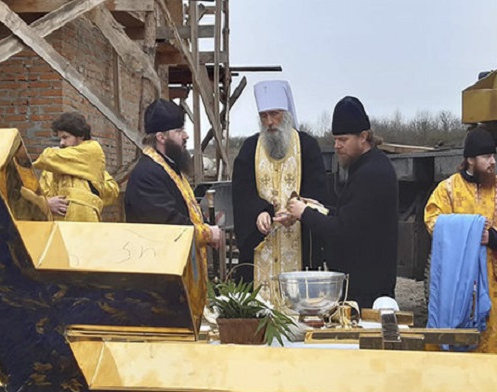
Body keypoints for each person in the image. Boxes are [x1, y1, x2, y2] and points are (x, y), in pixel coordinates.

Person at [424, 127, 497, 354]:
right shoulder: (448, 190)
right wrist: (469, 234)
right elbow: (433, 220)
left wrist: (493, 236)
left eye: (494, 156)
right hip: (461, 282)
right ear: (470, 159)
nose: (492, 162)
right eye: (486, 157)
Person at [287, 96, 397, 308]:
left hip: (368, 288)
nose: (336, 146)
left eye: (343, 140)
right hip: (364, 282)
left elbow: (343, 229)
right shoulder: (368, 166)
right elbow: (351, 214)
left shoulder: (372, 173)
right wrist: (317, 207)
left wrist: (305, 214)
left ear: (363, 137)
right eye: (335, 139)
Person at [231, 81, 328, 297]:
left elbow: (320, 196)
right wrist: (259, 212)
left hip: (299, 249)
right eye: (264, 116)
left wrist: (298, 212)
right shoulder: (249, 149)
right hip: (260, 253)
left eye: (274, 114)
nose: (270, 122)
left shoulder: (307, 147)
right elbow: (241, 193)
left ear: (286, 113)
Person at [124, 99, 222, 267]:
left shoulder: (168, 166)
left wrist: (203, 223)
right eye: (179, 131)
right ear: (161, 137)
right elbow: (169, 224)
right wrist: (207, 233)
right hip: (158, 270)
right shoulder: (147, 175)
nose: (186, 136)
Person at [33, 112, 119, 222]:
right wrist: (47, 204)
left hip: (84, 227)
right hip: (57, 227)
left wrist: (89, 192)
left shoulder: (91, 152)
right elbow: (41, 193)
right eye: (60, 139)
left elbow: (46, 157)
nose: (62, 143)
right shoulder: (53, 166)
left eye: (65, 137)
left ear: (80, 135)